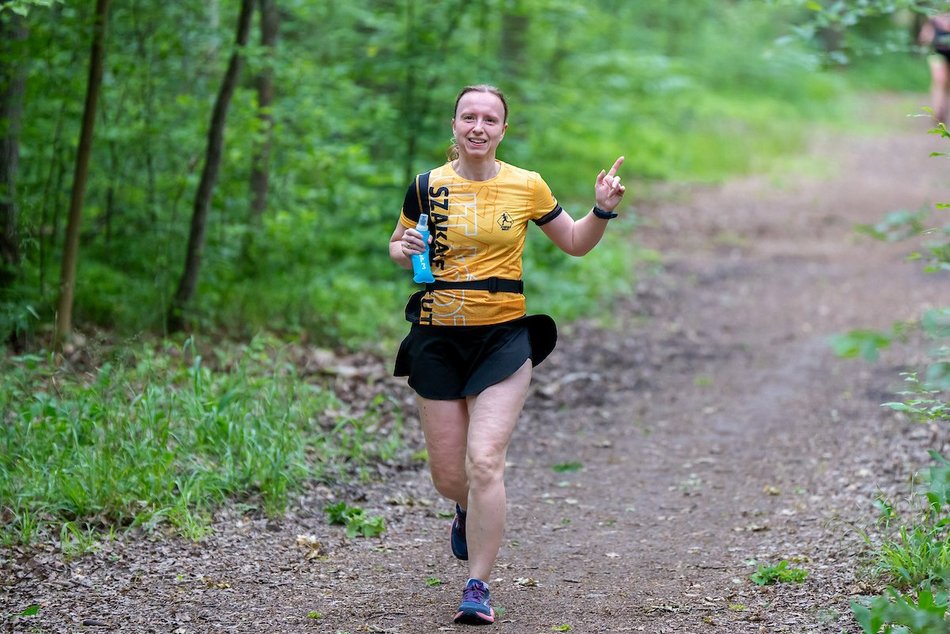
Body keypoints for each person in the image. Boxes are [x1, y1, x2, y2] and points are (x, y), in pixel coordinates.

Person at [388, 84, 626, 625]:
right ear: (453, 125)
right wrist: (404, 249)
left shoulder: (526, 186)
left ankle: (477, 585)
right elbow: (397, 246)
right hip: (437, 338)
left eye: (489, 119)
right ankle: (465, 508)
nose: (478, 127)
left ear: (502, 129)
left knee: (485, 460)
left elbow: (574, 242)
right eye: (468, 117)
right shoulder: (426, 187)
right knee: (451, 477)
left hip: (503, 339)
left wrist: (602, 210)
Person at [919, 12, 950, 124]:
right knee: (939, 80)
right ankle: (937, 114)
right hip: (937, 53)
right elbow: (923, 37)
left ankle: (943, 111)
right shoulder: (934, 18)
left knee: (946, 84)